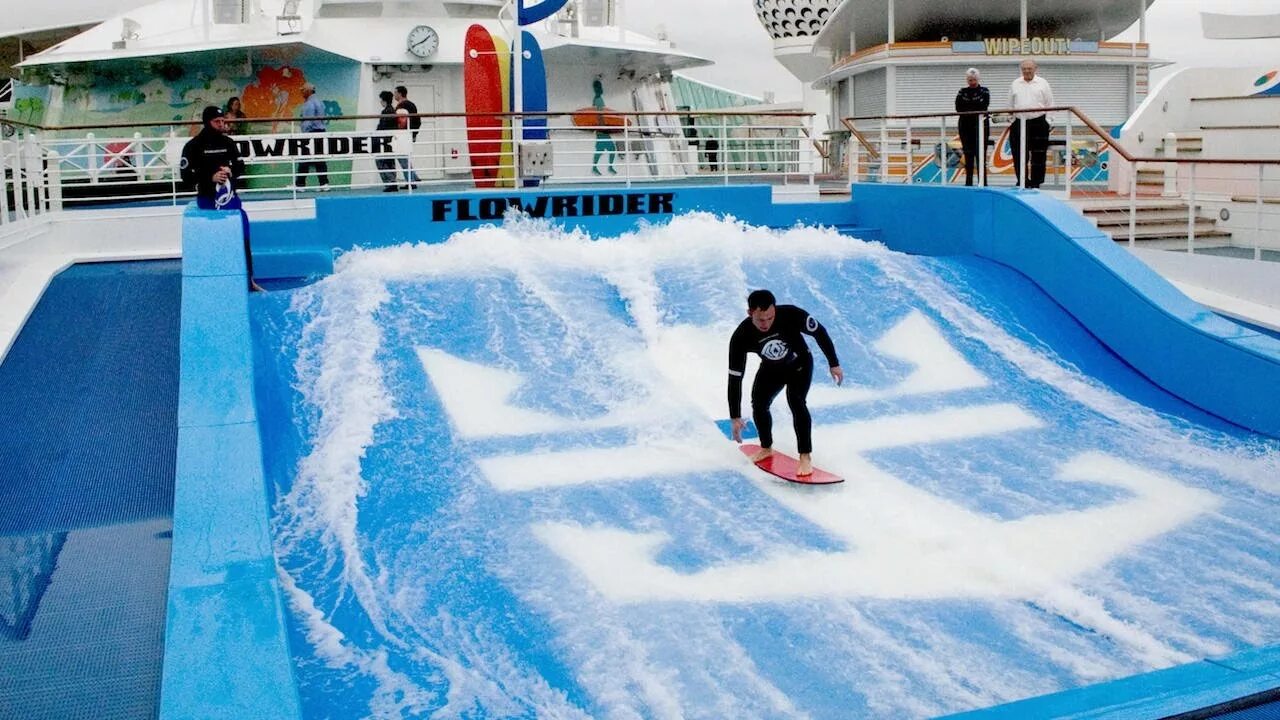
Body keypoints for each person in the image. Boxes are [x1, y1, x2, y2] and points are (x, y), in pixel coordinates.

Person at [727, 289, 843, 477]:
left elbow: (820, 332)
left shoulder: (791, 314)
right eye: (761, 320)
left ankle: (805, 456)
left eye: (770, 318)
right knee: (758, 403)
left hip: (800, 364)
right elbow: (735, 378)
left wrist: (834, 363)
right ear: (750, 313)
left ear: (775, 310)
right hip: (771, 369)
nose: (766, 323)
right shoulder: (741, 336)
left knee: (796, 401)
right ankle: (766, 448)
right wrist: (735, 416)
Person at [180, 105, 263, 292]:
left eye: (223, 121)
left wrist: (231, 171)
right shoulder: (193, 146)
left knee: (243, 238)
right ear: (207, 123)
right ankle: (213, 281)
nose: (222, 124)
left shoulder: (228, 143)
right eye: (217, 122)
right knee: (214, 241)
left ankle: (249, 280)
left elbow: (241, 167)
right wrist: (210, 177)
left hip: (231, 201)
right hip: (208, 202)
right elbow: (185, 177)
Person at [1008, 58, 1054, 189]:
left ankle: (1036, 183)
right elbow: (1009, 104)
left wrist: (1048, 121)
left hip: (1038, 122)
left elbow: (1050, 103)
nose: (1027, 71)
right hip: (1019, 123)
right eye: (1024, 69)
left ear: (1035, 69)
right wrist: (1012, 120)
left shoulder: (1043, 83)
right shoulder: (1015, 83)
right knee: (1018, 154)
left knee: (1038, 154)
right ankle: (1022, 181)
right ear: (1021, 70)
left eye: (1029, 69)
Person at [955, 68, 990, 186]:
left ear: (978, 79)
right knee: (968, 156)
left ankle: (983, 183)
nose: (972, 82)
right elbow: (959, 108)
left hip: (980, 126)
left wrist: (969, 106)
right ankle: (968, 183)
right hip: (965, 127)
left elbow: (984, 105)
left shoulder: (984, 91)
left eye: (974, 79)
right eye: (970, 80)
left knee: (981, 156)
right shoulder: (962, 91)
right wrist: (973, 106)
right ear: (967, 80)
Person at [295, 83, 330, 190]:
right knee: (319, 159)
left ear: (308, 91)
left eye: (303, 90)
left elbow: (307, 121)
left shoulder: (309, 104)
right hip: (320, 132)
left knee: (304, 158)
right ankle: (324, 184)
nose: (301, 92)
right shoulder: (319, 102)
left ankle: (300, 185)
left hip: (311, 133)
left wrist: (303, 134)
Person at [393, 85, 422, 188]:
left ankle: (411, 181)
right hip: (409, 134)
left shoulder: (402, 106)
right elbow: (417, 121)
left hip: (402, 135)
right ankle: (414, 176)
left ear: (399, 93)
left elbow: (399, 122)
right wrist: (414, 134)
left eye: (395, 93)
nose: (394, 95)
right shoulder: (412, 105)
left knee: (402, 157)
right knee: (404, 157)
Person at [375, 90, 400, 192]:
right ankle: (392, 182)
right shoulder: (392, 110)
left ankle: (390, 183)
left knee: (382, 161)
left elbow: (383, 127)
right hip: (391, 140)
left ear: (384, 100)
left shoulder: (386, 112)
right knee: (389, 161)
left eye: (381, 100)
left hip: (385, 140)